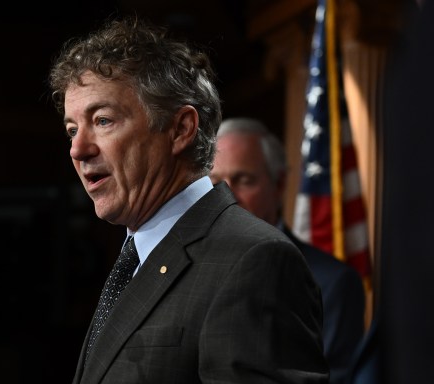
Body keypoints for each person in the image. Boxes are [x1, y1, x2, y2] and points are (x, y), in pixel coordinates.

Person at [48, 15, 328, 384]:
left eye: (102, 120)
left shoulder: (252, 259)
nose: (78, 149)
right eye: (72, 129)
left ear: (180, 129)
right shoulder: (133, 259)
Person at [209, 117, 365, 384]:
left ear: (279, 185)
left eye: (243, 180)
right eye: (214, 183)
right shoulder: (186, 270)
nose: (226, 196)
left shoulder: (332, 283)